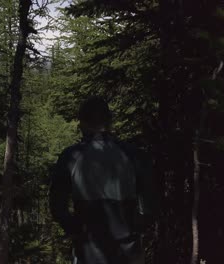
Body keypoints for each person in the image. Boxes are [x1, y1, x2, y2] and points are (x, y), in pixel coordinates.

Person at [49, 96, 157, 264]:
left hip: (88, 253)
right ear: (109, 121)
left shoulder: (71, 156)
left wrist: (75, 229)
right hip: (128, 251)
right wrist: (137, 227)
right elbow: (149, 204)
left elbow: (57, 206)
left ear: (82, 123)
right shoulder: (133, 154)